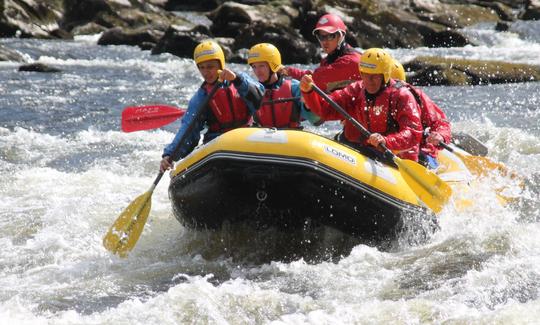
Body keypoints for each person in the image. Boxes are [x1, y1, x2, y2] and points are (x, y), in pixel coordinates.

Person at [299, 48, 423, 162]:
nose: (368, 81)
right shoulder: (357, 89)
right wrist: (308, 92)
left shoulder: (402, 95)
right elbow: (326, 109)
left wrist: (386, 140)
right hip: (369, 152)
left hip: (397, 156)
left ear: (384, 75)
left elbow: (413, 133)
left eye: (374, 76)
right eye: (364, 74)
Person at [160, 40, 262, 172]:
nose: (206, 72)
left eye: (210, 67)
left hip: (246, 136)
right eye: (201, 67)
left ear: (220, 64)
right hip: (218, 143)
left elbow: (259, 97)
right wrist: (170, 155)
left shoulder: (239, 80)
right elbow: (188, 129)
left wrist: (237, 79)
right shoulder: (201, 97)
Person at [390, 59, 452, 168]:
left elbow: (441, 122)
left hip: (420, 152)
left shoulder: (415, 97)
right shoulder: (365, 96)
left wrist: (440, 135)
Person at [243, 42, 321, 128]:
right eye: (254, 67)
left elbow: (316, 121)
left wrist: (308, 106)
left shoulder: (294, 87)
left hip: (290, 136)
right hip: (263, 137)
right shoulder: (252, 90)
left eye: (262, 66)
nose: (257, 71)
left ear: (274, 66)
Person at [282, 13, 361, 92]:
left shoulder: (350, 61)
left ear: (341, 36)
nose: (325, 42)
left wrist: (287, 71)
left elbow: (314, 79)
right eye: (321, 37)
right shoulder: (327, 60)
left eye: (330, 36)